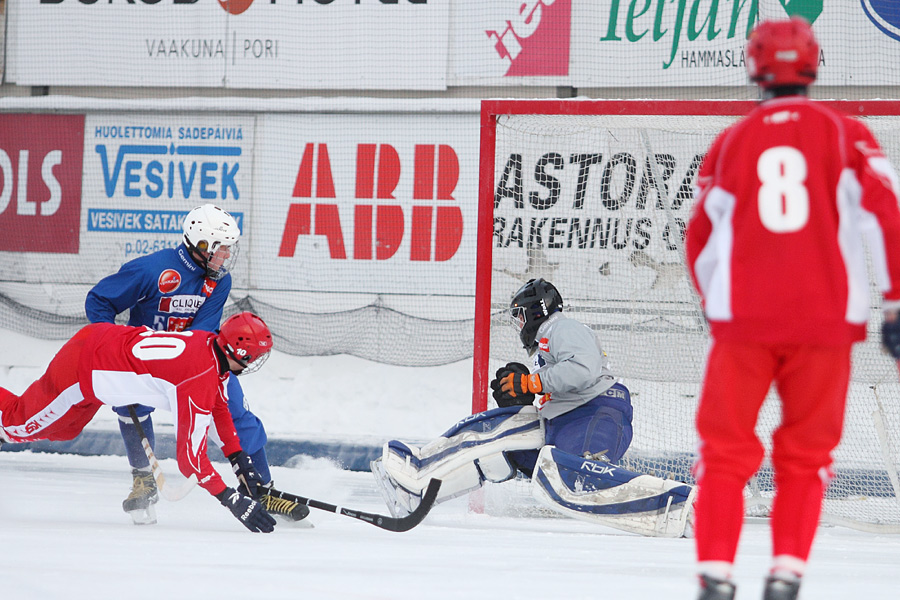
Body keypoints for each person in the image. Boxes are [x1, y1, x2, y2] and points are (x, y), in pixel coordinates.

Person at [685, 17, 900, 600]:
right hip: (827, 323)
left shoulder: (731, 142)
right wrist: (896, 306)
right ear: (814, 64)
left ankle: (716, 575)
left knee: (724, 452)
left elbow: (700, 238)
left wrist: (716, 305)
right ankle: (786, 573)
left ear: (755, 68)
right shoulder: (848, 134)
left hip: (745, 324)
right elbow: (887, 218)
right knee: (807, 457)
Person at [371, 278, 696, 538]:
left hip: (596, 413)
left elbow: (583, 370)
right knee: (496, 441)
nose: (518, 323)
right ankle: (418, 482)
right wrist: (523, 396)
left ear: (537, 310)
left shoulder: (562, 328)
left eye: (520, 314)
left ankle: (686, 508)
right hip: (565, 419)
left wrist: (531, 384)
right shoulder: (549, 339)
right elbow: (560, 382)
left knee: (572, 477)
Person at [85, 204, 308, 524]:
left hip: (193, 364)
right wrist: (108, 342)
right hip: (146, 362)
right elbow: (100, 301)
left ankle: (262, 487)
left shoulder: (220, 281)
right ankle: (143, 478)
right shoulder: (150, 270)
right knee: (126, 400)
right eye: (223, 249)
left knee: (237, 414)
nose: (227, 256)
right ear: (202, 245)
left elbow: (203, 334)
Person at [0, 312, 278, 534]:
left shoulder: (210, 348)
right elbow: (191, 461)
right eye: (255, 356)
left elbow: (220, 407)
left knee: (65, 430)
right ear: (240, 353)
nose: (256, 362)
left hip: (100, 348)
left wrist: (239, 460)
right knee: (17, 425)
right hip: (83, 366)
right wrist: (230, 499)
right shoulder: (198, 379)